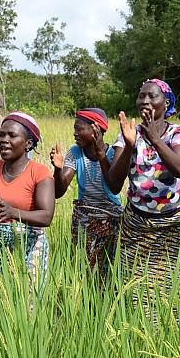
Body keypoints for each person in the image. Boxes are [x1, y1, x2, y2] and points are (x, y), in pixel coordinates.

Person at [108, 78, 180, 322]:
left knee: (173, 291)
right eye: (141, 95)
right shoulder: (127, 133)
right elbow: (114, 183)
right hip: (136, 226)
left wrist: (154, 138)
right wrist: (129, 144)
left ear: (166, 103)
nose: (145, 100)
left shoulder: (178, 133)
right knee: (134, 291)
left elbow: (179, 168)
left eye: (152, 96)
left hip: (171, 225)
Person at [0, 111, 55, 293]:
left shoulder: (39, 172)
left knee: (27, 300)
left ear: (28, 144)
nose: (4, 139)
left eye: (12, 135)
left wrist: (13, 213)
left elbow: (46, 216)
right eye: (2, 134)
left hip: (29, 244)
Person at [51, 108, 123, 279]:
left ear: (95, 129)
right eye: (75, 129)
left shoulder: (114, 152)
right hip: (85, 216)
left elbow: (114, 186)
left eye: (79, 129)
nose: (75, 133)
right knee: (84, 269)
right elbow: (58, 192)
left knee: (110, 267)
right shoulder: (75, 153)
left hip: (110, 216)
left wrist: (101, 154)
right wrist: (57, 169)